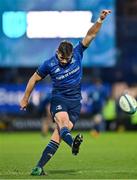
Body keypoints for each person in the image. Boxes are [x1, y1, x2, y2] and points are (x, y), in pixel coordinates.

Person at [20, 10, 111, 176]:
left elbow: (90, 35)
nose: (64, 62)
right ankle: (73, 144)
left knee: (59, 134)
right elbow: (33, 79)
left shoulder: (77, 53)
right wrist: (25, 98)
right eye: (62, 59)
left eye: (66, 60)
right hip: (59, 98)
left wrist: (100, 20)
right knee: (63, 122)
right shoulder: (49, 64)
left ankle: (39, 167)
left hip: (75, 102)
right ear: (57, 52)